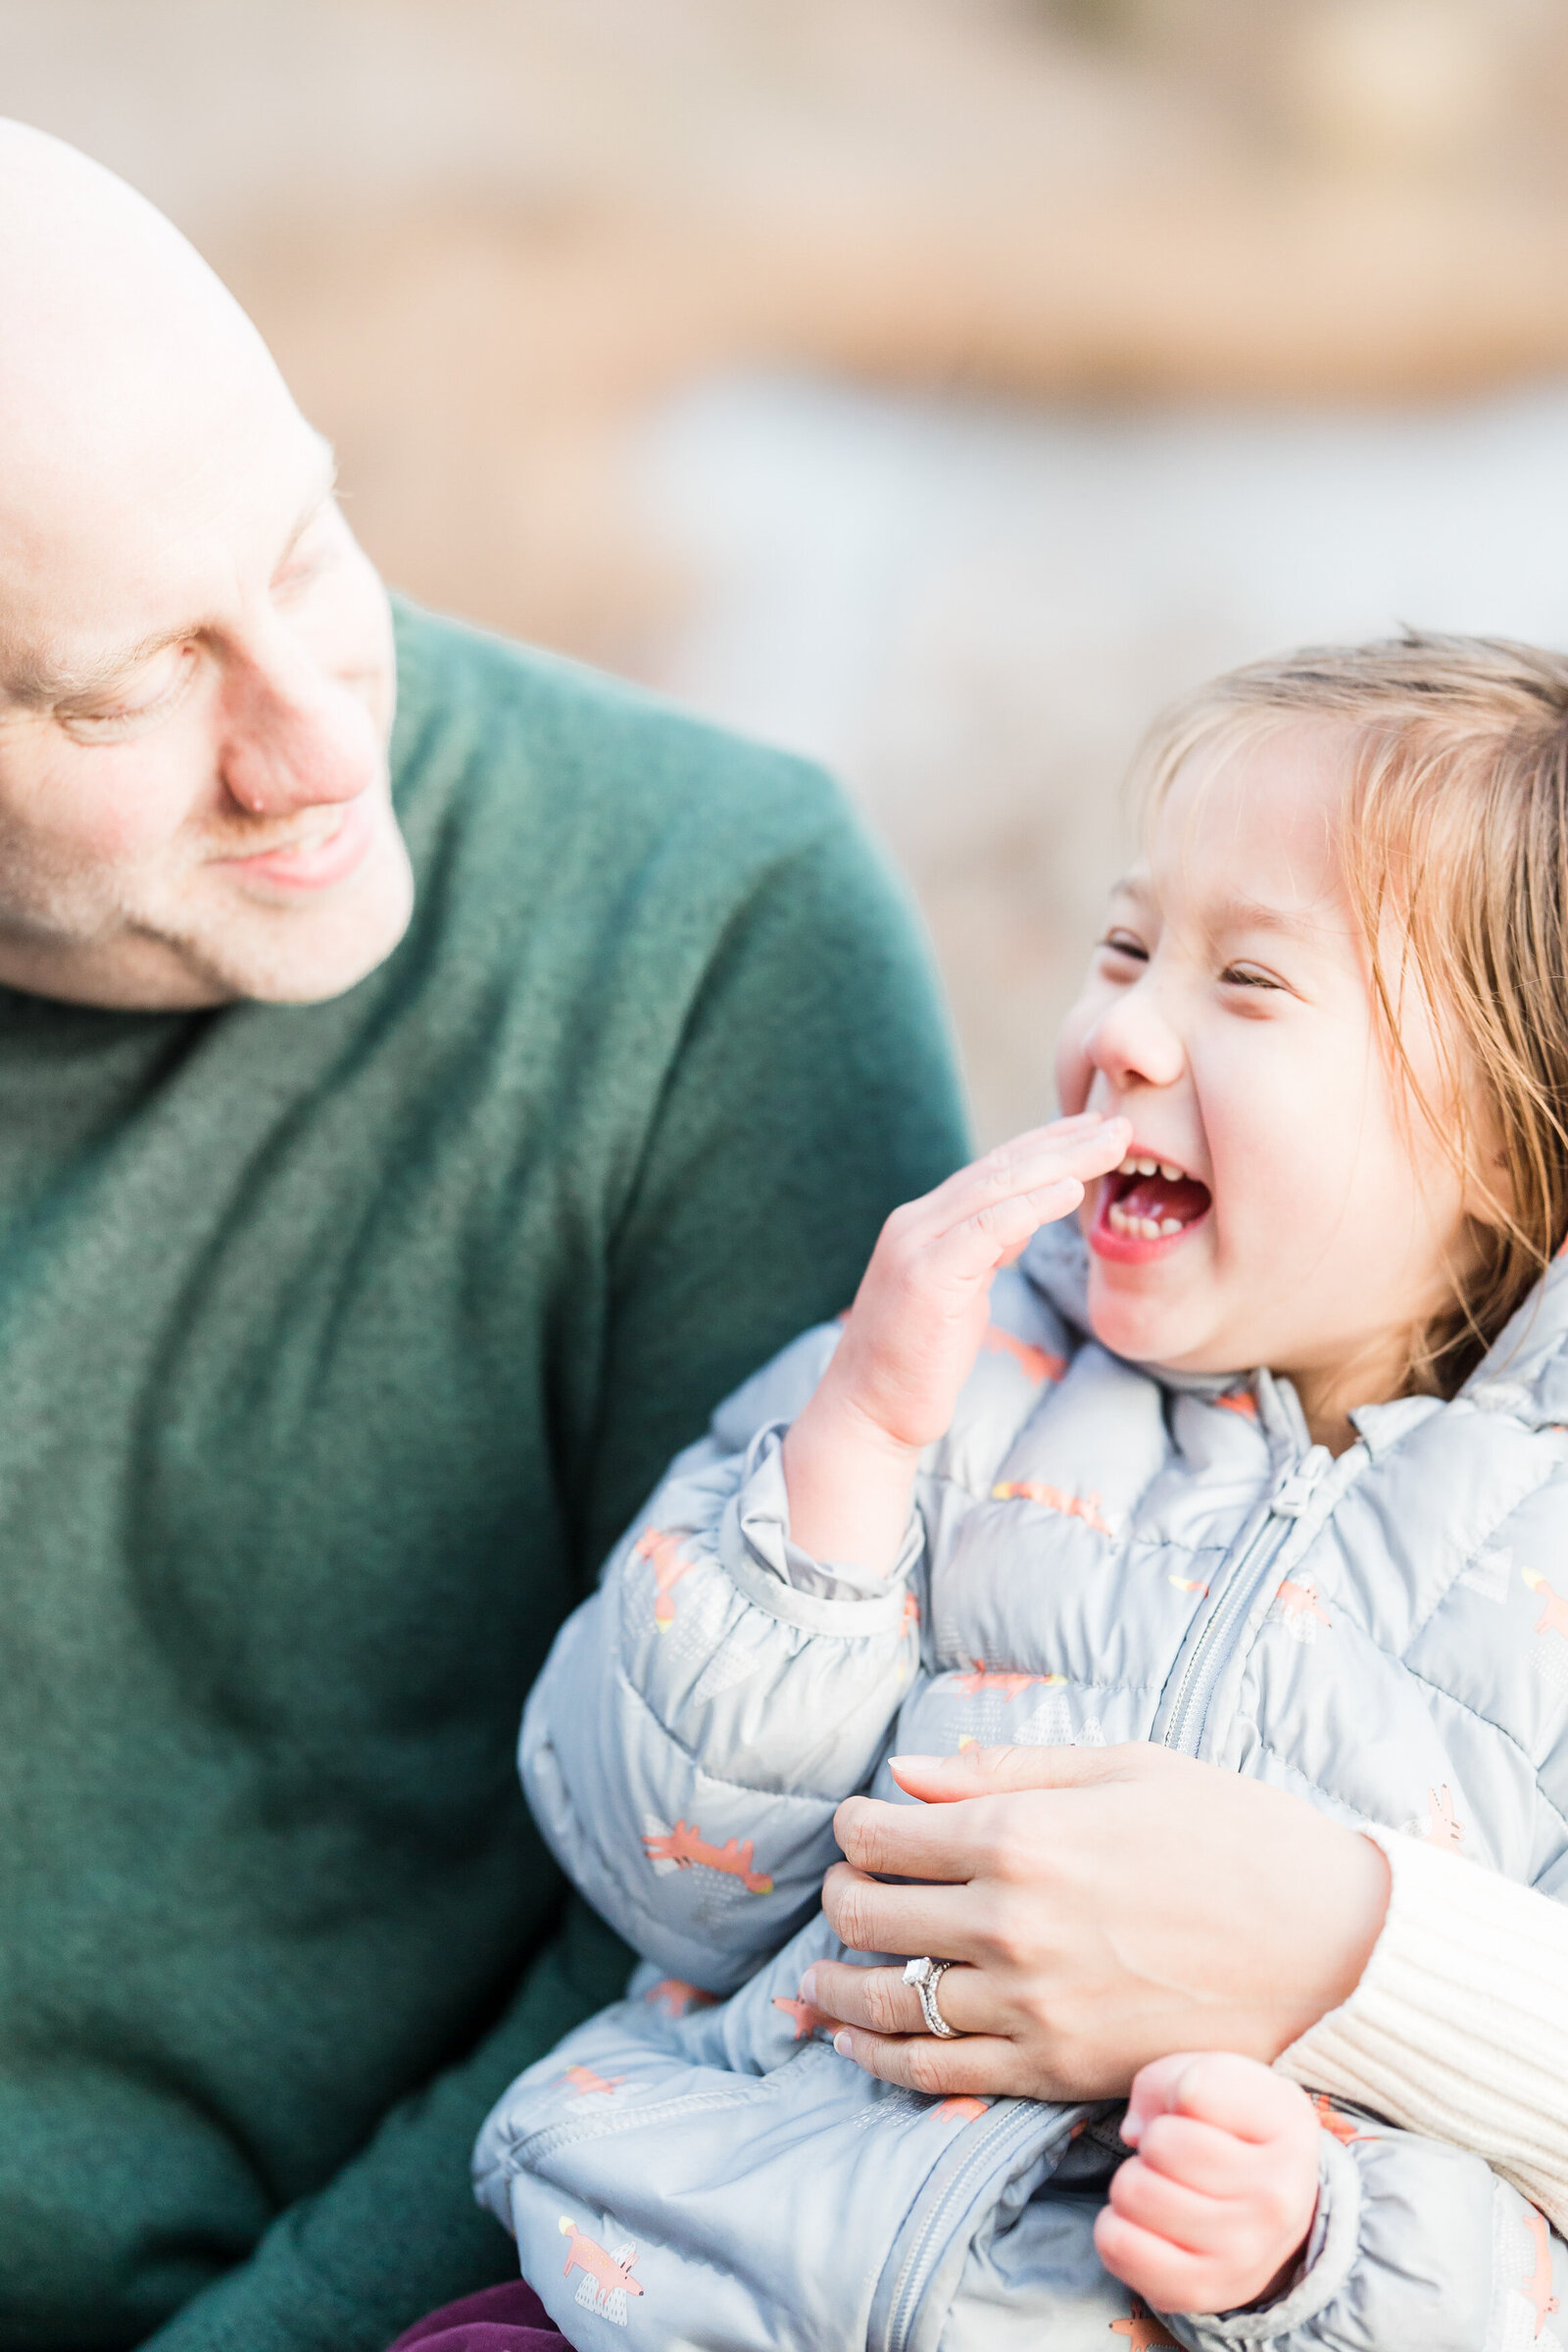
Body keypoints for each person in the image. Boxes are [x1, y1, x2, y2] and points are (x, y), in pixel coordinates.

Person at [0, 121, 971, 2351]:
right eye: (135, 683)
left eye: (310, 547)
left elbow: (772, 1913)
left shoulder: (705, 935)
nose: (314, 738)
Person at [462, 636, 1568, 2351]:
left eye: (1248, 986)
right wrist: (850, 1451)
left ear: (1502, 1136)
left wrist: (1308, 2247)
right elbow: (664, 1868)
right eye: (1125, 948)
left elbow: (1517, 2243)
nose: (1124, 1028)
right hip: (675, 2286)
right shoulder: (966, 1375)